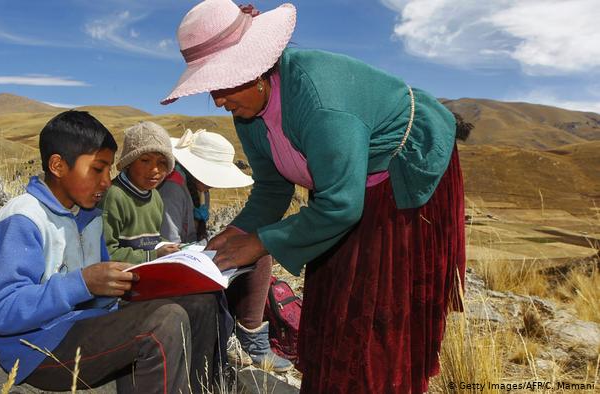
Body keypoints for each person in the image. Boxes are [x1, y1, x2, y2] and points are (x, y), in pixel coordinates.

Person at [161, 1, 467, 393]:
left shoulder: (321, 102)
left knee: (378, 305)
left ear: (253, 69)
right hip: (344, 189)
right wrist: (236, 232)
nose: (218, 101)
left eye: (221, 84)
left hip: (399, 177)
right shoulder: (249, 115)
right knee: (335, 297)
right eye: (211, 89)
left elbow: (340, 205)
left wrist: (259, 243)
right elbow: (273, 187)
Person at [0, 111, 218, 393]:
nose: (106, 181)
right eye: (98, 169)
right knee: (164, 322)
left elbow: (103, 286)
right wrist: (82, 283)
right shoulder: (23, 219)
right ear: (58, 165)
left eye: (109, 170)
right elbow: (1, 311)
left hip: (89, 322)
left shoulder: (89, 216)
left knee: (201, 302)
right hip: (39, 348)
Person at [158, 128, 292, 372]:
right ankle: (246, 339)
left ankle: (250, 336)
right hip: (179, 267)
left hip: (194, 256)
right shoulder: (173, 190)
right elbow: (168, 244)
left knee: (258, 251)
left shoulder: (196, 190)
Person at [99, 121, 180, 263]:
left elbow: (150, 240)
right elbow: (105, 252)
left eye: (162, 162)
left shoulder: (155, 196)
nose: (155, 169)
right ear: (128, 163)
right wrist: (153, 256)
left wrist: (168, 247)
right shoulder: (114, 195)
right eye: (145, 160)